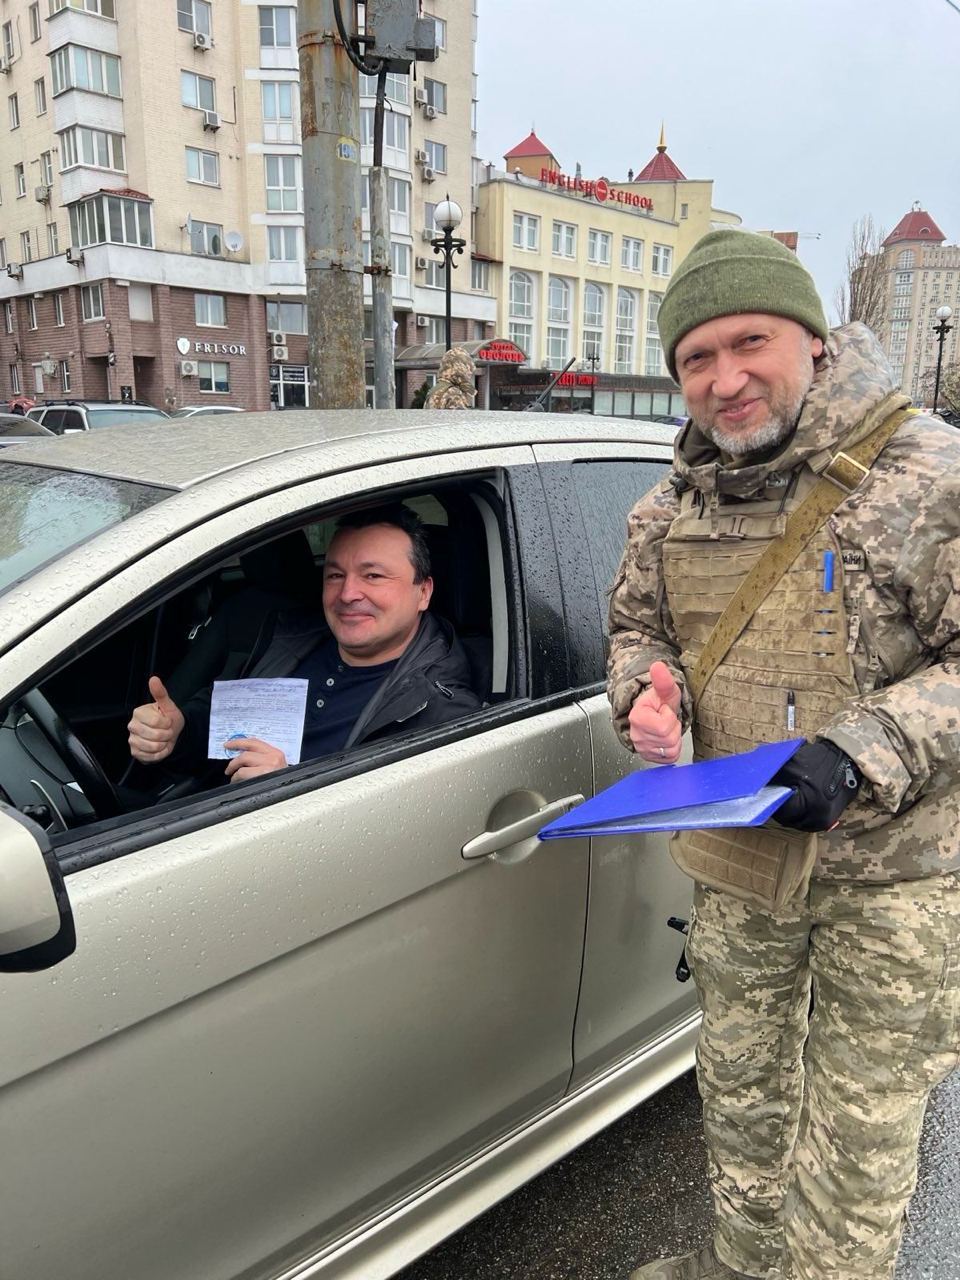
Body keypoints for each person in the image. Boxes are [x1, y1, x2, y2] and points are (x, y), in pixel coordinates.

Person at [608, 229, 960, 1280]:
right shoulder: (670, 504)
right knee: (742, 1093)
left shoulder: (928, 476)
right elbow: (636, 630)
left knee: (856, 1142)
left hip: (894, 879)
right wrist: (647, 697)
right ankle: (743, 1265)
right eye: (696, 358)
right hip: (744, 858)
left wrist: (859, 750)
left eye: (748, 342)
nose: (725, 380)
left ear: (811, 337)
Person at [128, 505, 480, 783]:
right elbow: (226, 730)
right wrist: (176, 732)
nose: (348, 593)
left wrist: (286, 785)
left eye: (373, 576)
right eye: (335, 575)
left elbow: (400, 832)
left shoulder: (441, 715)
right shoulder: (290, 636)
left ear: (423, 592)